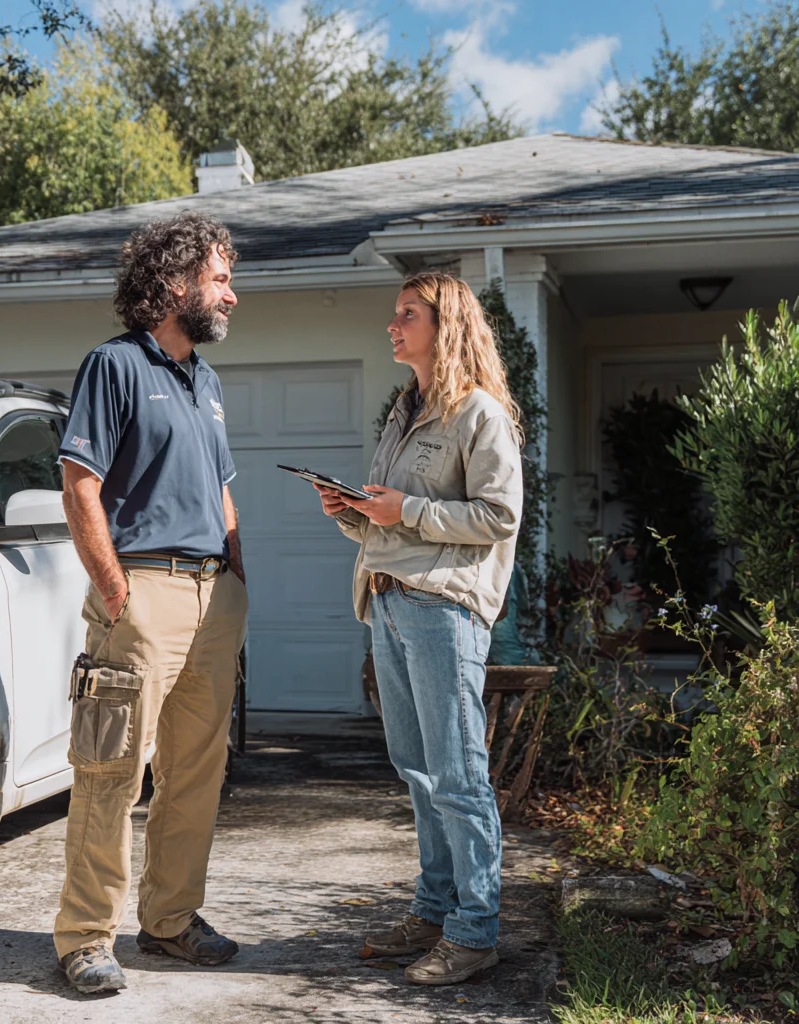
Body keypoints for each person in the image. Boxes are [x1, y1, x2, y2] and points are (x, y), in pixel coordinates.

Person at [53, 212, 249, 995]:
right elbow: (79, 484)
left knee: (197, 774)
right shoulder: (113, 366)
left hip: (214, 599)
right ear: (174, 284)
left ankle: (169, 920)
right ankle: (84, 937)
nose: (232, 295)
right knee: (109, 771)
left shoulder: (208, 381)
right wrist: (115, 593)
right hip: (142, 596)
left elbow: (225, 494)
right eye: (220, 276)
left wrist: (238, 581)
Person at [316, 271, 523, 986]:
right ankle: (435, 911)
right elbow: (396, 522)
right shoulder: (404, 416)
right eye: (395, 314)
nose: (392, 324)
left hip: (444, 610)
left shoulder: (480, 417)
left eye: (407, 314)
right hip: (389, 604)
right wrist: (352, 512)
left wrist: (400, 511)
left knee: (459, 775)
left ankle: (475, 932)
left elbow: (498, 519)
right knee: (419, 770)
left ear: (446, 325)